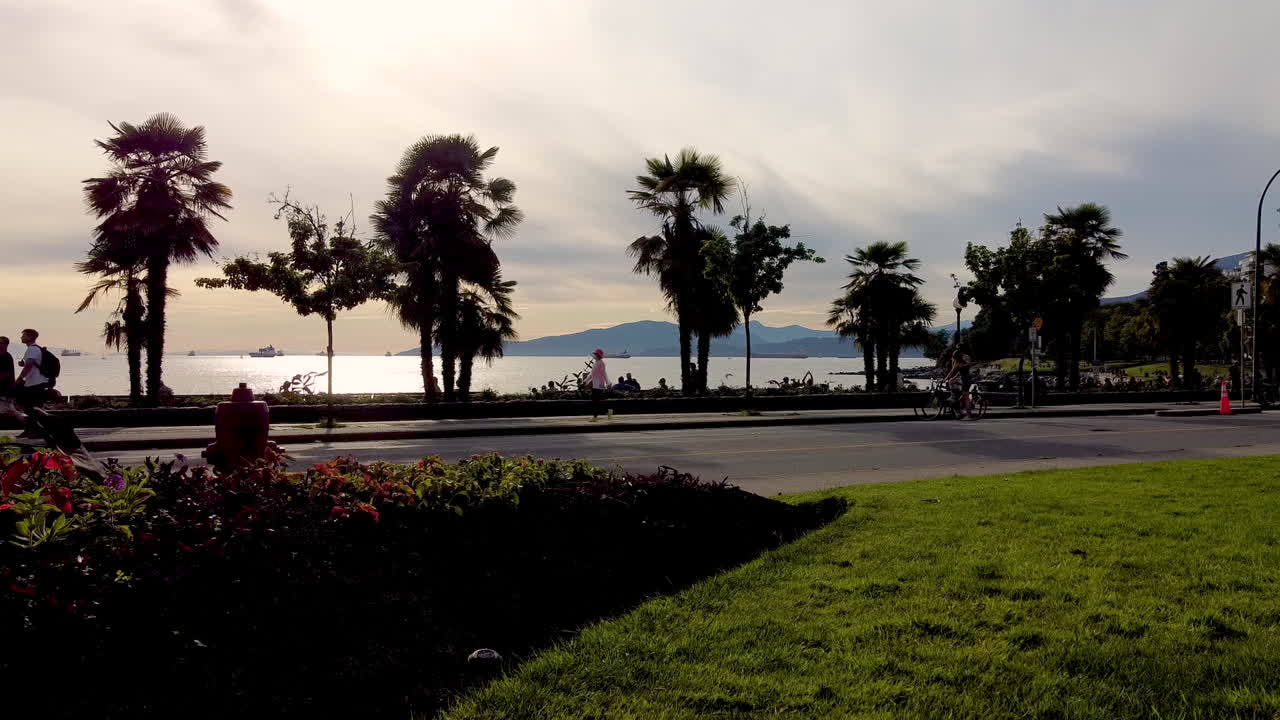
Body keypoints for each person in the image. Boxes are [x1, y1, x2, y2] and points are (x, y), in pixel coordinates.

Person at [15, 328, 51, 412]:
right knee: (36, 409)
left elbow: (28, 366)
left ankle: (37, 424)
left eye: (23, 335)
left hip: (34, 383)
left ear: (30, 337)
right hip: (38, 382)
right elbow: (32, 363)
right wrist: (24, 364)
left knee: (31, 409)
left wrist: (19, 379)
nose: (21, 337)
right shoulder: (36, 348)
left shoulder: (32, 349)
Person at [942, 342, 978, 418]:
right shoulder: (964, 360)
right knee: (953, 383)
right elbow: (960, 371)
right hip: (966, 378)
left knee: (966, 398)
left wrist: (946, 378)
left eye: (953, 358)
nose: (953, 360)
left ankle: (969, 414)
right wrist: (953, 378)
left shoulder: (958, 363)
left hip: (964, 379)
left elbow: (952, 370)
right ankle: (956, 401)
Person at [589, 349, 609, 420]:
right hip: (595, 385)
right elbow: (592, 374)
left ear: (598, 355)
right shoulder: (596, 363)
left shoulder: (601, 363)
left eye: (595, 354)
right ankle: (597, 415)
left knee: (596, 401)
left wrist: (608, 382)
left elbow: (604, 373)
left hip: (599, 385)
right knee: (595, 401)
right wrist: (586, 381)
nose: (594, 355)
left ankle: (595, 416)